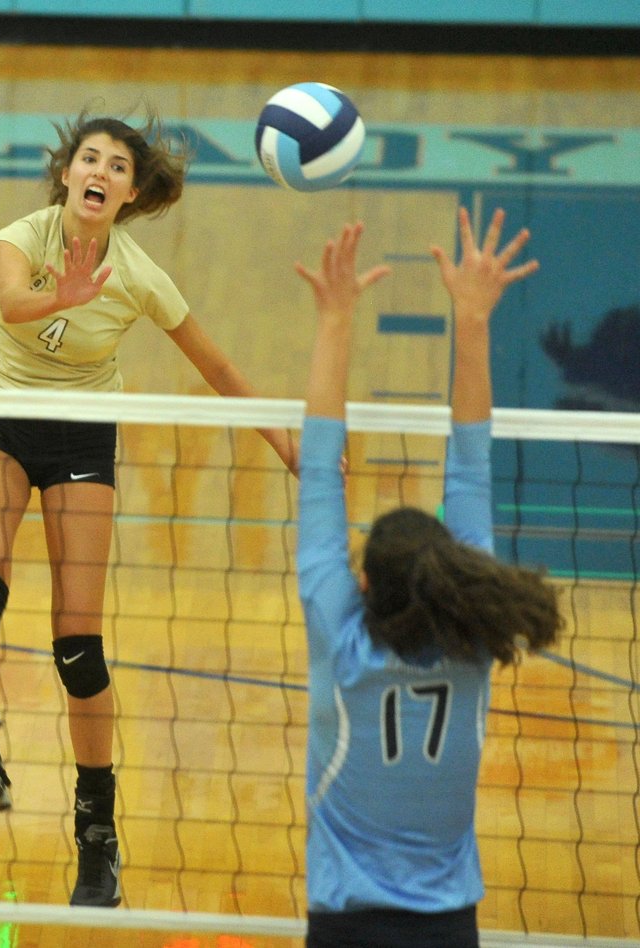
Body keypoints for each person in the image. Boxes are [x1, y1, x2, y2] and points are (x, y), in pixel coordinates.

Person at [0, 107, 298, 909]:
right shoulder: (21, 236)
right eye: (89, 159)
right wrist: (62, 293)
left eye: (115, 166)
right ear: (66, 173)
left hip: (79, 442)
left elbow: (216, 366)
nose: (99, 173)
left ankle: (96, 836)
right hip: (0, 422)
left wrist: (287, 443)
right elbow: (11, 303)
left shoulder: (140, 274)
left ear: (131, 191)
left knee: (79, 646)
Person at [294, 208, 564, 948]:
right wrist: (472, 319)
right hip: (449, 928)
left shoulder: (340, 645)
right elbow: (472, 464)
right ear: (451, 572)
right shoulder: (473, 642)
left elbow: (319, 466)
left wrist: (335, 320)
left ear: (364, 588)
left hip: (344, 926)